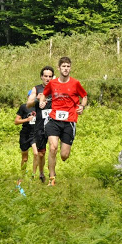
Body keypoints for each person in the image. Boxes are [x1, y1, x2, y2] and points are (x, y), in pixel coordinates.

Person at [38, 57, 88, 186]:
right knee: (53, 148)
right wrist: (42, 101)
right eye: (63, 66)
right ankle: (52, 179)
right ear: (59, 68)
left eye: (68, 66)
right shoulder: (53, 83)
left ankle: (64, 147)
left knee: (64, 155)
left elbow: (84, 96)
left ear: (70, 68)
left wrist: (82, 106)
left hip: (69, 121)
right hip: (53, 119)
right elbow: (44, 93)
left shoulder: (75, 83)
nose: (66, 68)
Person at [26, 66, 54, 183]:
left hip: (53, 123)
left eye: (50, 76)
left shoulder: (56, 88)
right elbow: (28, 104)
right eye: (45, 76)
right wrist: (37, 100)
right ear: (41, 77)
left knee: (53, 148)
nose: (47, 79)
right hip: (40, 124)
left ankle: (52, 174)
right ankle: (41, 173)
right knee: (41, 153)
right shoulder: (36, 89)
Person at [14, 101, 36, 174]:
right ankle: (23, 173)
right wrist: (27, 120)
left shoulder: (39, 107)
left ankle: (34, 174)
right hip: (25, 134)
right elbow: (16, 121)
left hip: (35, 133)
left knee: (36, 154)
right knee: (25, 158)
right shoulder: (24, 107)